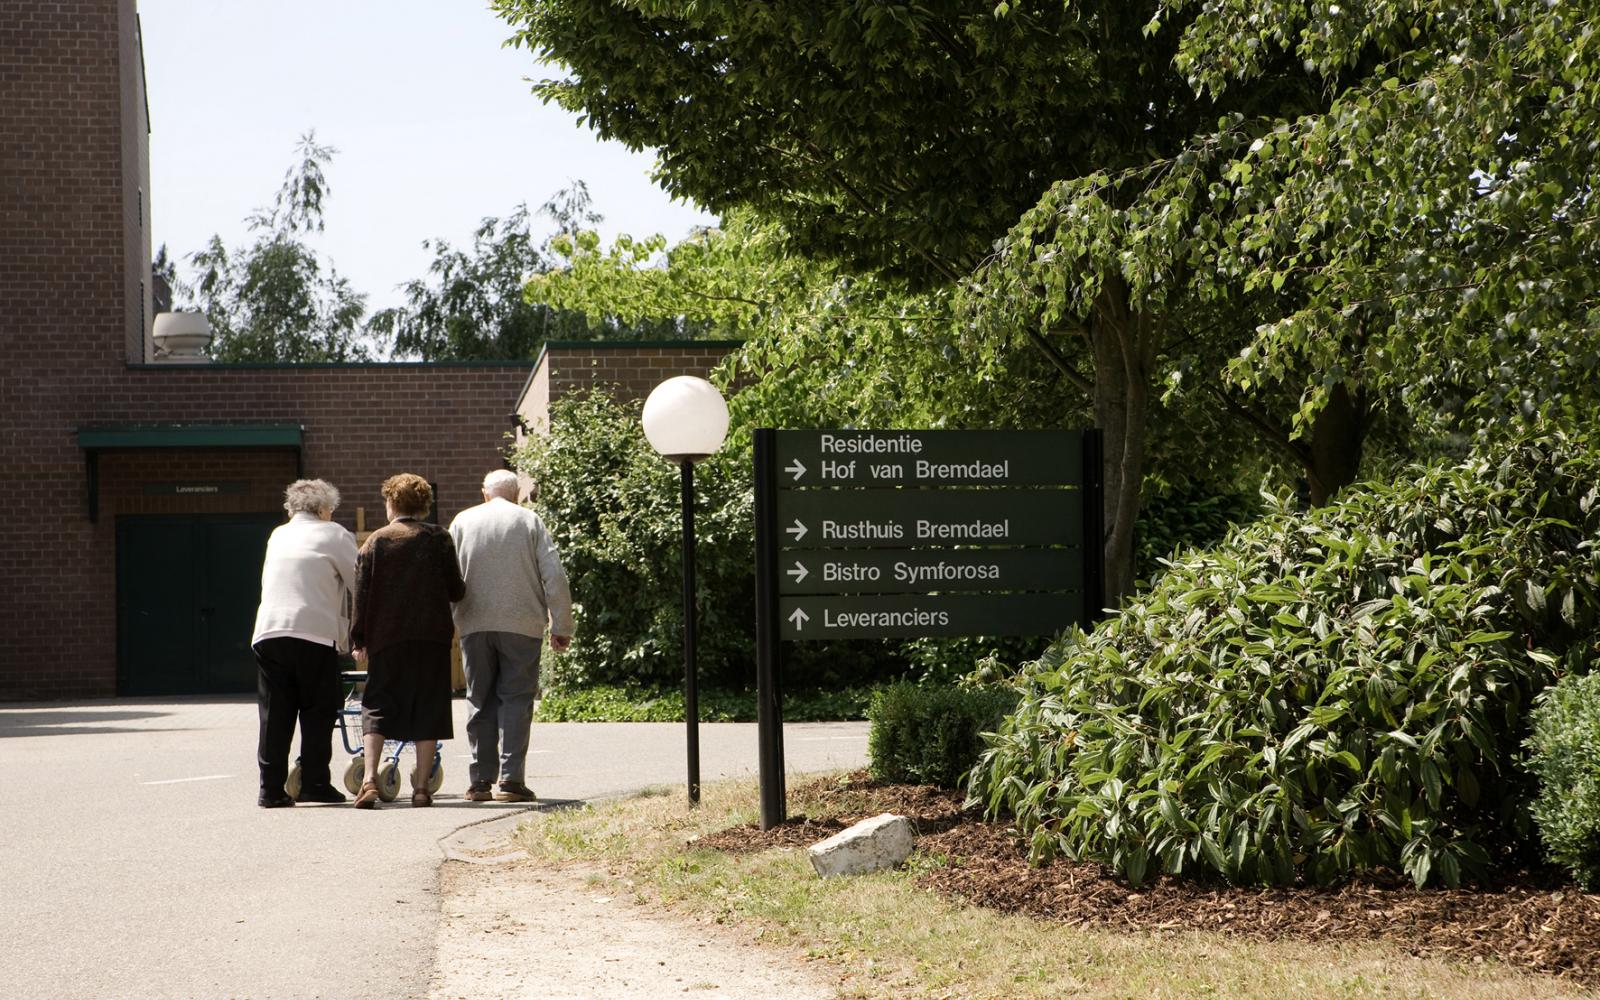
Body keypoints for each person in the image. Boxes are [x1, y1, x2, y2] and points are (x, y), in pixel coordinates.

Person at [449, 469, 574, 803]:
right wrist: (562, 625)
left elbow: (447, 574)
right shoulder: (529, 521)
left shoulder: (462, 521)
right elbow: (554, 575)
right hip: (522, 623)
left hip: (474, 622)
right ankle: (511, 781)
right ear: (516, 494)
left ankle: (479, 782)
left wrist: (449, 619)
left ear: (484, 493)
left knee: (479, 699)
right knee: (516, 699)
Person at [349, 474, 465, 809]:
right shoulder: (438, 538)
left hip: (388, 636)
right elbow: (456, 589)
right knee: (429, 705)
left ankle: (369, 778)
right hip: (431, 636)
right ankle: (421, 790)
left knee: (378, 704)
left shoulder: (376, 542)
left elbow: (362, 595)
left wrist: (359, 638)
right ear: (424, 505)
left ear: (391, 503)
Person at [250, 479, 358, 808]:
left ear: (291, 508)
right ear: (324, 508)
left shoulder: (278, 535)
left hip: (269, 631)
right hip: (312, 630)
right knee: (318, 709)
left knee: (275, 713)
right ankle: (314, 782)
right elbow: (360, 582)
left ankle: (270, 789)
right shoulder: (335, 533)